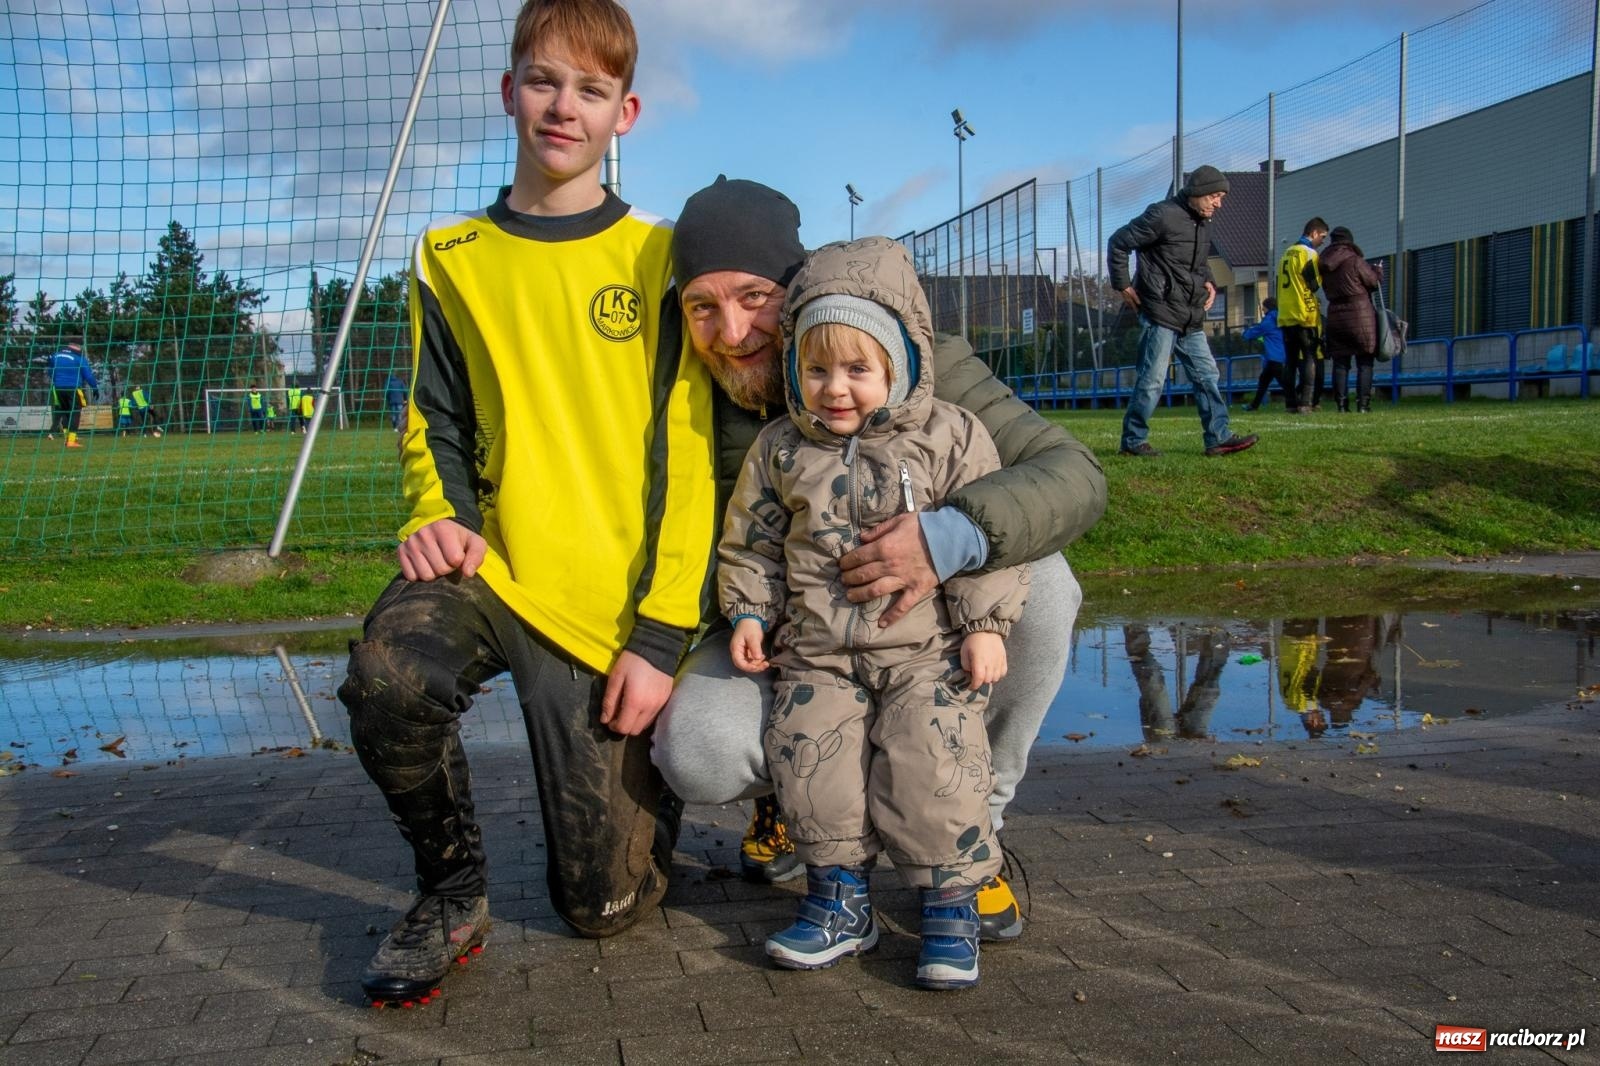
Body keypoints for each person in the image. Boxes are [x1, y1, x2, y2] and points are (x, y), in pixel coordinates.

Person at [336, 0, 715, 1007]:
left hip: (608, 606)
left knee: (602, 909)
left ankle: (654, 796)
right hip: (490, 569)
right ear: (509, 91)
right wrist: (437, 512)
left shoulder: (659, 257)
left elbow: (689, 459)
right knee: (387, 677)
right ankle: (449, 890)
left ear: (625, 112)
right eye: (544, 80)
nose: (562, 106)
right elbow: (434, 414)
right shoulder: (449, 254)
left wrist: (661, 632)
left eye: (591, 89)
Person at [652, 177, 1108, 944]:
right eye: (703, 306)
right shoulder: (679, 384)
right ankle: (795, 805)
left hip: (923, 633)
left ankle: (974, 831)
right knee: (696, 747)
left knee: (1047, 586)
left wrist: (944, 538)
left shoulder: (920, 357)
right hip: (797, 639)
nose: (732, 331)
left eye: (755, 297)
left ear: (799, 288)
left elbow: (1072, 475)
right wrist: (749, 609)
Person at [719, 237, 1027, 990]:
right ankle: (838, 901)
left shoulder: (949, 436)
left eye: (858, 370)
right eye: (816, 370)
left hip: (925, 652)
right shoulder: (780, 450)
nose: (835, 390)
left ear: (902, 366)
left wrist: (985, 626)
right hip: (817, 653)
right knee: (812, 766)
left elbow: (986, 543)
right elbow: (754, 539)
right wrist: (750, 612)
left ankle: (949, 907)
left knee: (936, 765)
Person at [1106, 165, 1257, 458]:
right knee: (1152, 379)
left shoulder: (1204, 223)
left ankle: (1218, 437)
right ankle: (1133, 441)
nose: (1218, 204)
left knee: (1207, 375)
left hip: (1191, 315)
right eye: (1214, 197)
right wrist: (1123, 285)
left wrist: (1209, 281)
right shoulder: (1162, 215)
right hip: (1160, 312)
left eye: (1221, 198)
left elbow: (1197, 263)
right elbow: (1118, 242)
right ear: (1197, 192)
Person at [1320, 226, 1383, 413]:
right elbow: (1373, 282)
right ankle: (1363, 405)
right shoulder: (1355, 260)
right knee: (1365, 361)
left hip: (1335, 315)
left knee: (1340, 363)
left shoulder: (1324, 263)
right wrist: (1378, 271)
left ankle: (1341, 405)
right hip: (1360, 314)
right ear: (1349, 242)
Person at [1277, 218, 1327, 413]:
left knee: (1290, 360)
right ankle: (1306, 402)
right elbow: (1314, 284)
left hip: (1285, 312)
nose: (1322, 241)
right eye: (1322, 237)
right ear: (1313, 233)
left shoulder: (1286, 253)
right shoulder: (1309, 253)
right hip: (1304, 313)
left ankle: (1290, 403)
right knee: (1309, 357)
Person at [1241, 297, 1291, 411]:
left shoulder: (1268, 321)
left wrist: (1244, 333)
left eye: (1264, 307)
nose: (1262, 309)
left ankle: (1295, 403)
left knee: (1283, 383)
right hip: (1281, 355)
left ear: (1268, 307)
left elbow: (1255, 331)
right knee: (1264, 380)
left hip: (1274, 357)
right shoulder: (1281, 318)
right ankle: (1254, 405)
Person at [46, 339, 97, 449]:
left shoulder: (56, 356)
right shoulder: (79, 358)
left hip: (58, 388)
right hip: (73, 388)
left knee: (65, 412)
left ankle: (67, 438)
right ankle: (71, 441)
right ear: (78, 347)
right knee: (75, 413)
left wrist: (57, 380)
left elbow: (50, 371)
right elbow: (88, 375)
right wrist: (94, 387)